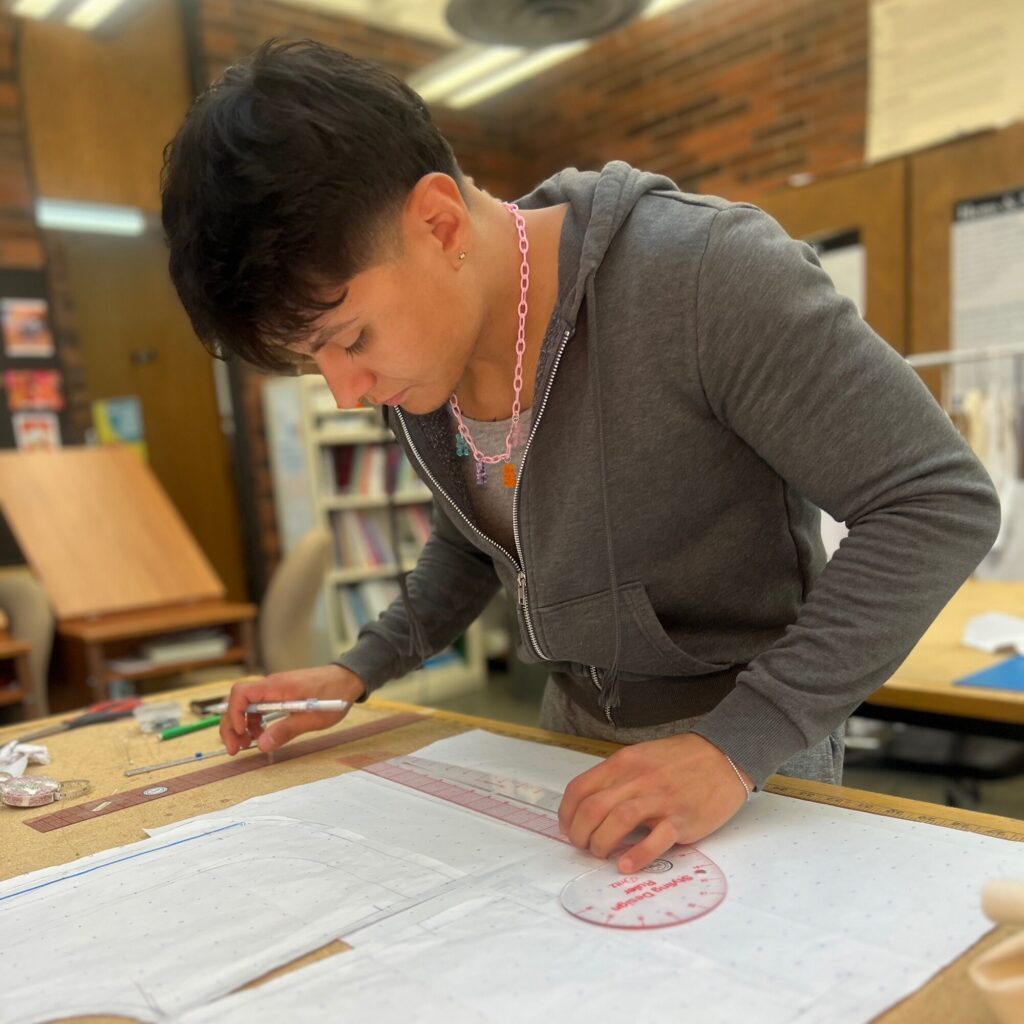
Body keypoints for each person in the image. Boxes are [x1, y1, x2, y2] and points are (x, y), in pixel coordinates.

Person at [161, 39, 999, 874]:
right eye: (317, 361)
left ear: (439, 223)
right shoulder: (425, 363)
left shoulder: (707, 276)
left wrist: (734, 748)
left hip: (751, 762)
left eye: (350, 339)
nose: (347, 390)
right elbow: (484, 536)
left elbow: (935, 500)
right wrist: (356, 669)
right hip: (569, 753)